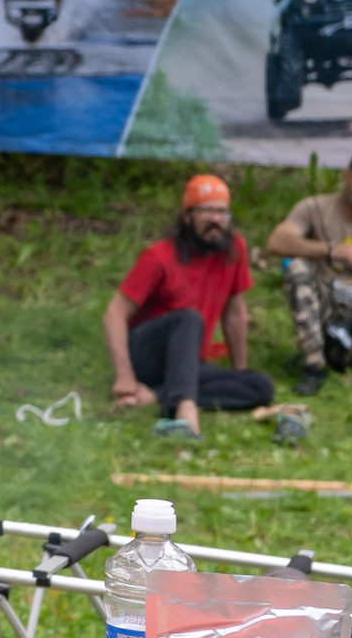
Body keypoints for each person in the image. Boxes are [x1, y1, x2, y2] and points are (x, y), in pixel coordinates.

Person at [105, 174, 274, 441]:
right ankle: (184, 412)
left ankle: (157, 394)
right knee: (189, 320)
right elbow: (114, 313)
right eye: (207, 211)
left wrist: (238, 373)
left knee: (260, 387)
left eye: (222, 212)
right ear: (187, 217)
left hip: (187, 362)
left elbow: (234, 313)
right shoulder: (158, 256)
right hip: (147, 355)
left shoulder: (234, 249)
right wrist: (124, 376)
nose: (216, 220)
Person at [264, 147, 352, 397]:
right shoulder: (315, 208)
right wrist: (329, 250)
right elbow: (276, 242)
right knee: (298, 267)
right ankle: (313, 364)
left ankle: (336, 354)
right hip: (323, 301)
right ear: (346, 177)